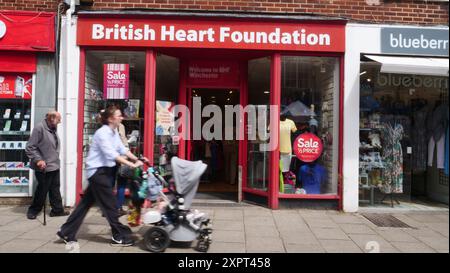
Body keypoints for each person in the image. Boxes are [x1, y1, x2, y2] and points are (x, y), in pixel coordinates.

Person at [57, 106, 148, 246]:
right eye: (119, 115)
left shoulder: (113, 132)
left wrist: (137, 159)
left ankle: (66, 232)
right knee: (110, 205)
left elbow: (122, 149)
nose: (121, 117)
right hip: (98, 173)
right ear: (111, 118)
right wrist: (131, 165)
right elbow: (111, 154)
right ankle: (119, 236)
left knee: (84, 205)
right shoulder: (102, 133)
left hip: (105, 172)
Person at [25, 110, 69, 220]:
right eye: (59, 119)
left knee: (55, 188)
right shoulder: (39, 128)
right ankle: (33, 210)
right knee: (42, 189)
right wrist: (38, 160)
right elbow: (30, 147)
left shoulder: (52, 128)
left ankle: (57, 210)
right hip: (43, 166)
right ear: (52, 119)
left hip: (54, 164)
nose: (60, 121)